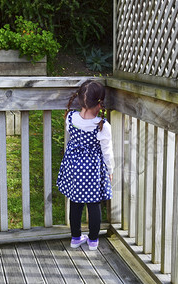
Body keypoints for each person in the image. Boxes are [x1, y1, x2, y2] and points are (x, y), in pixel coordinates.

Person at [56, 79, 114, 251]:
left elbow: (72, 133)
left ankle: (75, 238)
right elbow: (107, 152)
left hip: (73, 167)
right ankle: (93, 241)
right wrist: (110, 170)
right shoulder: (102, 126)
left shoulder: (71, 118)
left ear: (80, 100)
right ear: (100, 103)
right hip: (92, 170)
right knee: (94, 204)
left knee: (75, 202)